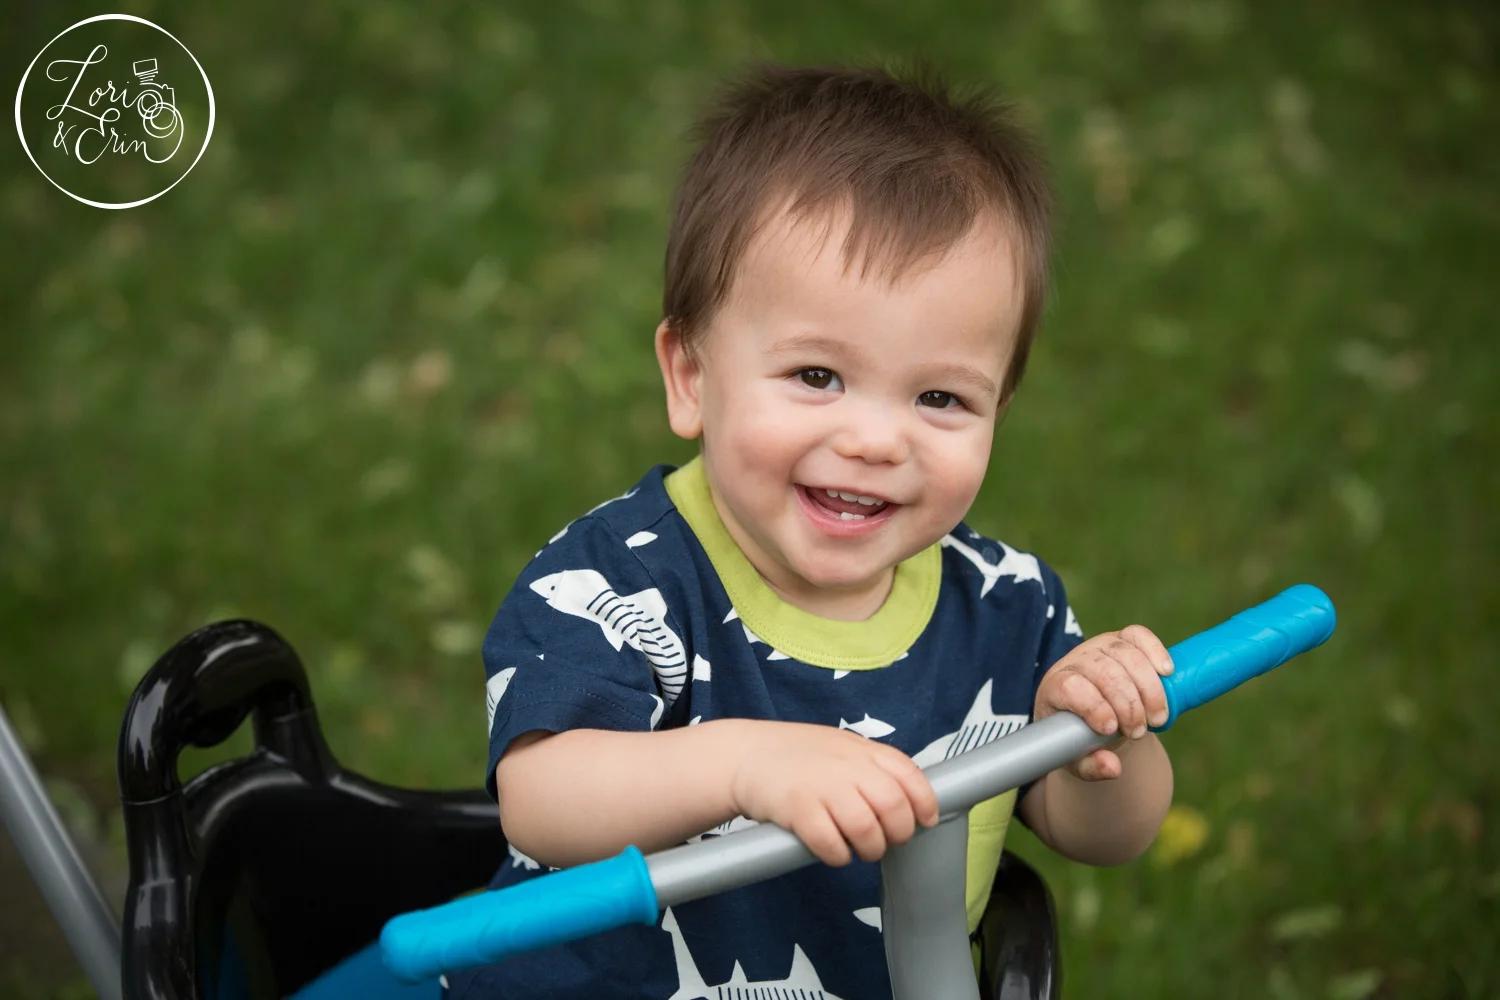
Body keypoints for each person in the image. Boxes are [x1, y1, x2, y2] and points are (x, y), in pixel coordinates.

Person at [445, 59, 1174, 1000]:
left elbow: (1105, 837)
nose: (874, 439)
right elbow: (540, 802)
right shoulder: (624, 583)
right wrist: (743, 764)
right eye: (817, 377)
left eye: (941, 396)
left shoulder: (1005, 607)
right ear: (691, 376)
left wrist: (1105, 736)